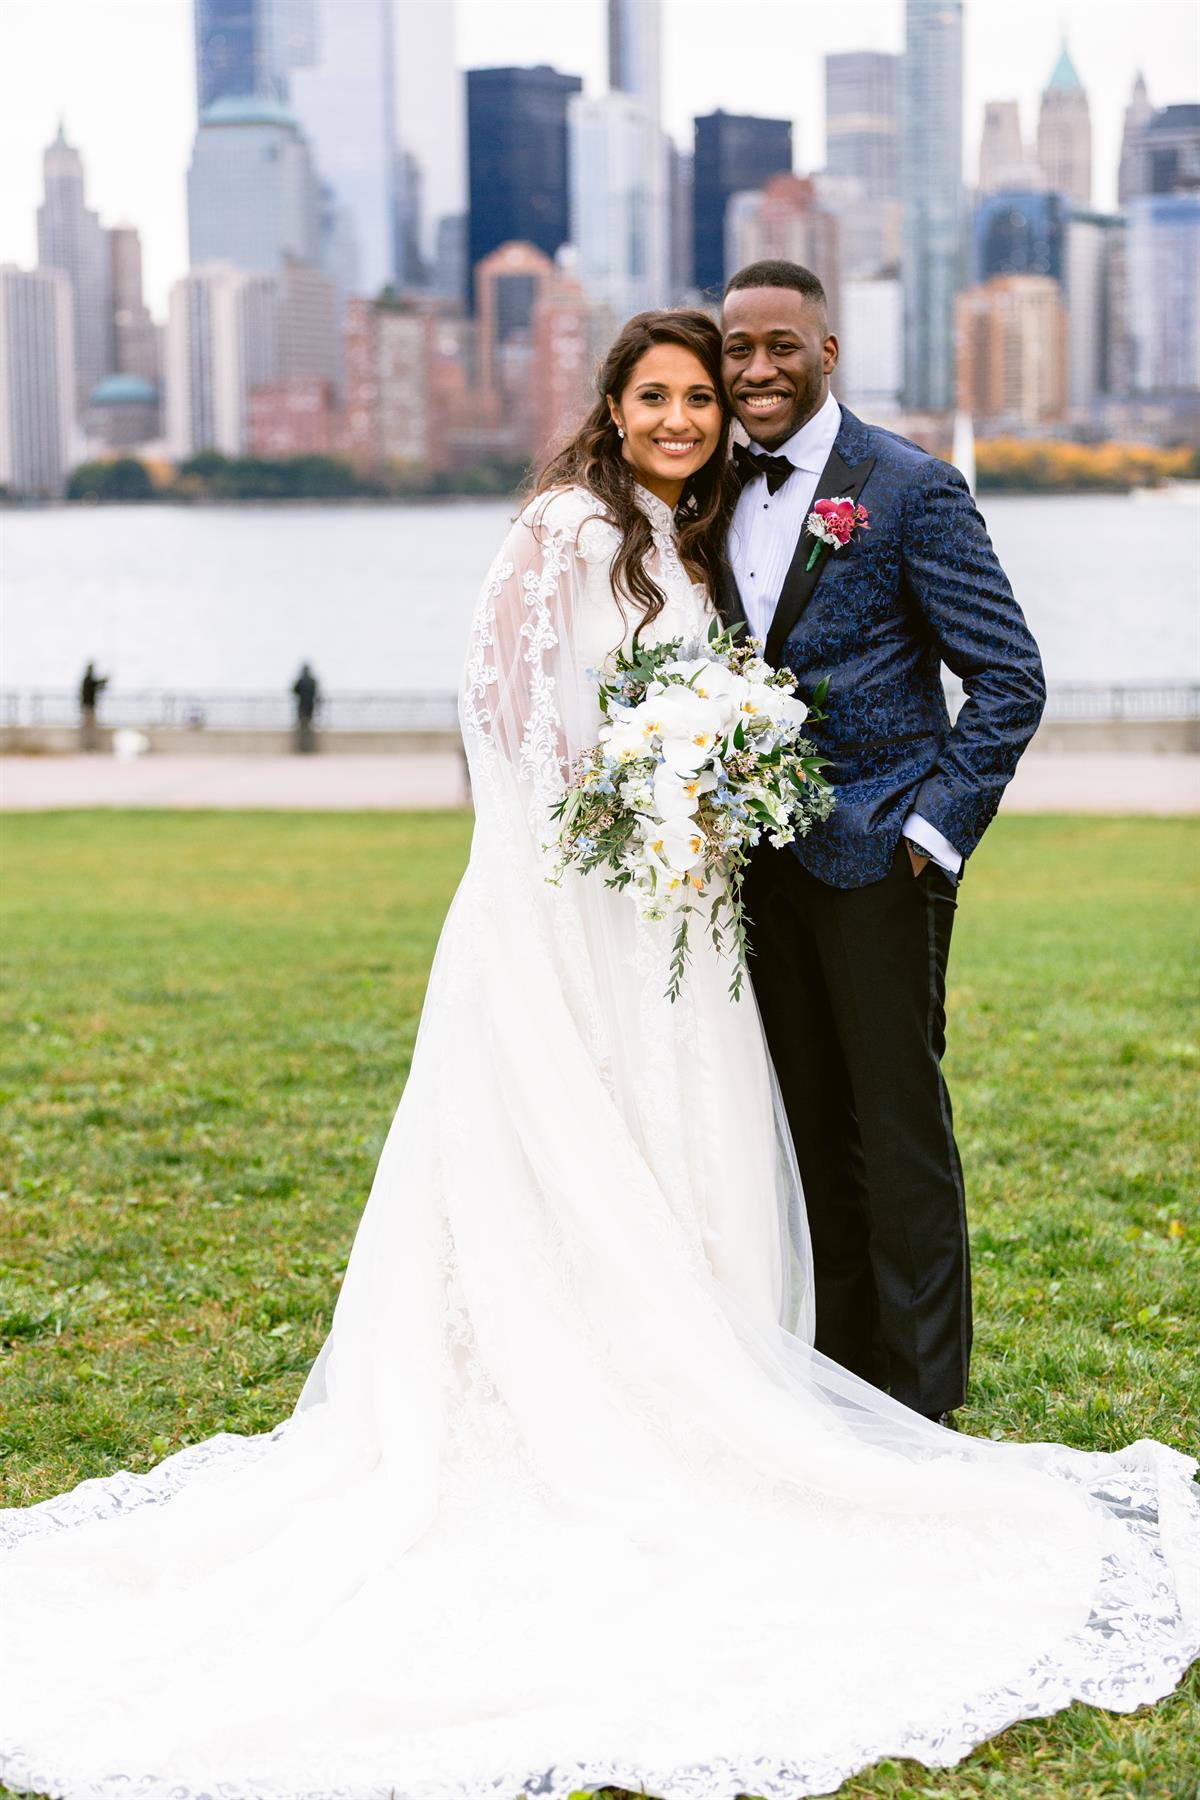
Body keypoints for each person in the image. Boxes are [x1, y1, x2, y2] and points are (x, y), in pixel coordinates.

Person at [0, 311, 1195, 1800]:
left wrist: (763, 800)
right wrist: (625, 815)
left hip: (699, 909)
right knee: (590, 1137)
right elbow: (503, 717)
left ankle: (829, 1386)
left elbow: (950, 676)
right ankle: (621, 1402)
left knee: (752, 1133)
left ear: (794, 370)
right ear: (613, 406)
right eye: (661, 394)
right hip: (588, 905)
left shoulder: (704, 527)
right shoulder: (568, 528)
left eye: (705, 395)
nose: (689, 415)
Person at [720, 259, 1044, 1425]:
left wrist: (931, 833)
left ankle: (922, 1404)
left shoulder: (909, 488)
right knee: (807, 1129)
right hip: (753, 872)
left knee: (898, 1134)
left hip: (880, 863)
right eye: (738, 348)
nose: (759, 369)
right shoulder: (709, 489)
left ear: (828, 352)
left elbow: (1009, 678)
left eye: (782, 346)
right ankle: (840, 1381)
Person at [79, 660, 108, 752]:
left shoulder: (87, 680)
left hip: (87, 707)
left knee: (88, 728)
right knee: (89, 728)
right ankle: (88, 746)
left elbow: (98, 685)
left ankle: (88, 746)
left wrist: (104, 681)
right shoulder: (88, 680)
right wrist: (105, 680)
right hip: (88, 707)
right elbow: (97, 684)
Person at [292, 661, 319, 753]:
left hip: (302, 707)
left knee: (302, 727)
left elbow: (294, 691)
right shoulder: (312, 681)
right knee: (308, 727)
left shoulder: (300, 681)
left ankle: (302, 748)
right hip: (310, 707)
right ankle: (309, 748)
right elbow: (316, 693)